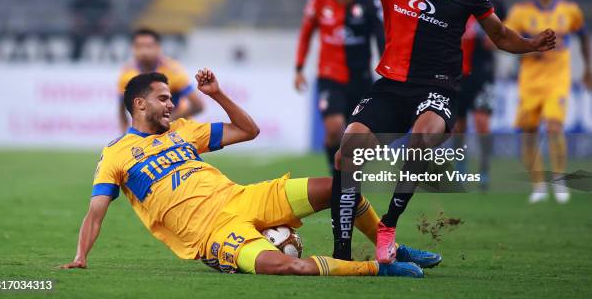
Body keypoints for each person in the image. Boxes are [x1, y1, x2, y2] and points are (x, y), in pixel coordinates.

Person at [319, 0, 556, 263]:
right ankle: (342, 254)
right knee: (346, 152)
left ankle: (388, 228)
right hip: (391, 86)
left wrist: (532, 44)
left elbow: (501, 35)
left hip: (437, 90)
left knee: (419, 140)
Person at [59, 70, 441, 277]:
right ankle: (376, 268)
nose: (172, 104)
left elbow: (248, 131)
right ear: (139, 104)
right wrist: (81, 256)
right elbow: (96, 211)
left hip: (242, 197)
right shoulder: (116, 154)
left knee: (341, 188)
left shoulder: (183, 130)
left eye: (172, 98)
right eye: (164, 98)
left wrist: (218, 95)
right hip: (213, 233)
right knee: (283, 265)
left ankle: (388, 246)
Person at [505, 0, 591, 204]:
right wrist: (529, 50)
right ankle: (538, 185)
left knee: (554, 127)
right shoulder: (521, 12)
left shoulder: (570, 10)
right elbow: (506, 40)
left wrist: (587, 69)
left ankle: (560, 181)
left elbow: (583, 36)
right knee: (529, 133)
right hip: (530, 81)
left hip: (557, 79)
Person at [295, 0, 384, 172]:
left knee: (358, 136)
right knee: (334, 129)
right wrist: (299, 68)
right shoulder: (318, 2)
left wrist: (387, 70)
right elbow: (305, 35)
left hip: (361, 79)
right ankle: (335, 174)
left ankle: (350, 174)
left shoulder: (370, 3)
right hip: (330, 77)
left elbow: (381, 37)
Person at [453, 0, 507, 190]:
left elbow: (503, 38)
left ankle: (484, 169)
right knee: (459, 125)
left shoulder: (496, 4)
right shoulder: (454, 2)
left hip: (483, 73)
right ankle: (460, 169)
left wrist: (493, 41)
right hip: (456, 73)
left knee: (482, 122)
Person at [118, 28, 203, 133]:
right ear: (132, 48)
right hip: (148, 133)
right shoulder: (126, 74)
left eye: (148, 46)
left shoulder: (173, 71)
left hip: (177, 132)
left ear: (158, 48)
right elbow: (122, 108)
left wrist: (168, 120)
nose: (144, 51)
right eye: (139, 46)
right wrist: (124, 134)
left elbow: (198, 105)